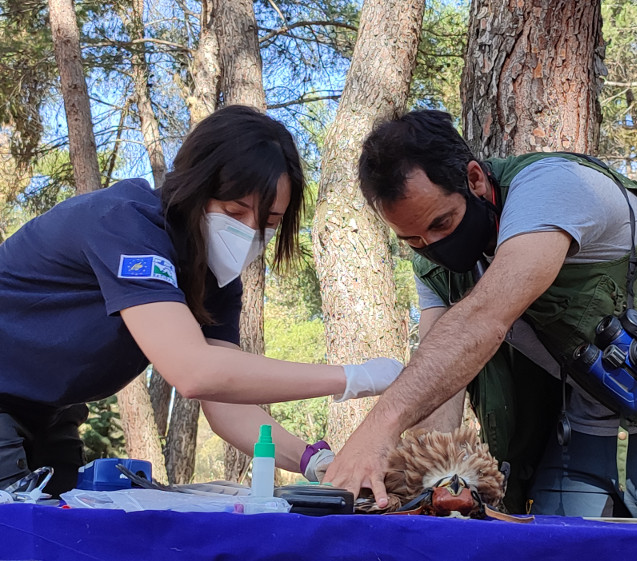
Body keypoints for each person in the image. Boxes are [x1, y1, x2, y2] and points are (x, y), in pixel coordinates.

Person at [324, 109, 637, 526]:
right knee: (545, 549)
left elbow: (483, 319)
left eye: (442, 223)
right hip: (582, 430)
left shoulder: (552, 186)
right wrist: (430, 477)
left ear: (474, 178)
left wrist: (378, 429)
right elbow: (442, 374)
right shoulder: (435, 266)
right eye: (413, 239)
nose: (433, 245)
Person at [0, 105, 402, 496]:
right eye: (234, 210)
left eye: (268, 223)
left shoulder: (215, 279)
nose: (248, 233)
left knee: (58, 530)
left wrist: (313, 461)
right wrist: (353, 377)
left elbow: (224, 402)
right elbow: (194, 372)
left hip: (52, 413)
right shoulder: (124, 225)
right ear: (193, 186)